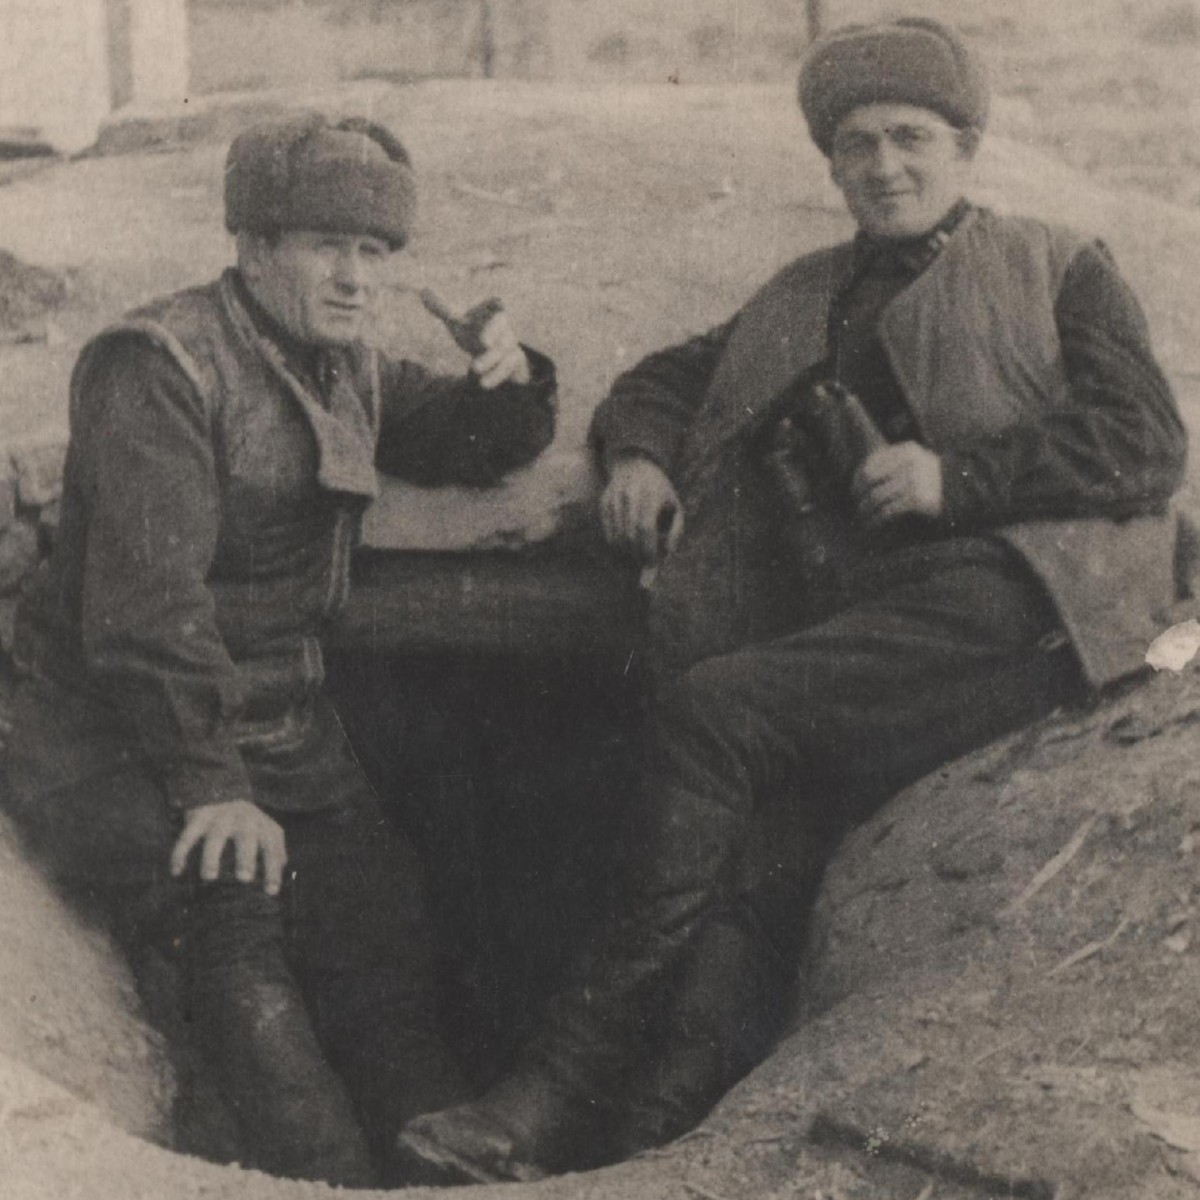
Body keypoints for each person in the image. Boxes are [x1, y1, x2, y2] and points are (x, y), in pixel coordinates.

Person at [397, 16, 1187, 1183]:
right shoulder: (810, 292)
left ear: (964, 146)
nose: (884, 167)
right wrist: (642, 456)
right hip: (873, 631)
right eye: (857, 145)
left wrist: (956, 478)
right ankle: (640, 1147)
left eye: (911, 138)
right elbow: (666, 376)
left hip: (1022, 602)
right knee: (765, 853)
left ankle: (555, 1083)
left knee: (718, 716)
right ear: (831, 165)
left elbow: (1145, 441)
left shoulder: (1056, 262)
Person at [2, 112, 556, 1187]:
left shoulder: (340, 359)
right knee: (235, 913)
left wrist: (510, 378)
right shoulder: (157, 365)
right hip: (114, 738)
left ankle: (441, 1157)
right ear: (254, 245)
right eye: (328, 247)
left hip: (282, 729)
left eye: (376, 253)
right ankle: (320, 1172)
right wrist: (211, 784)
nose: (356, 278)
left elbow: (467, 439)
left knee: (379, 920)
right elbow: (144, 614)